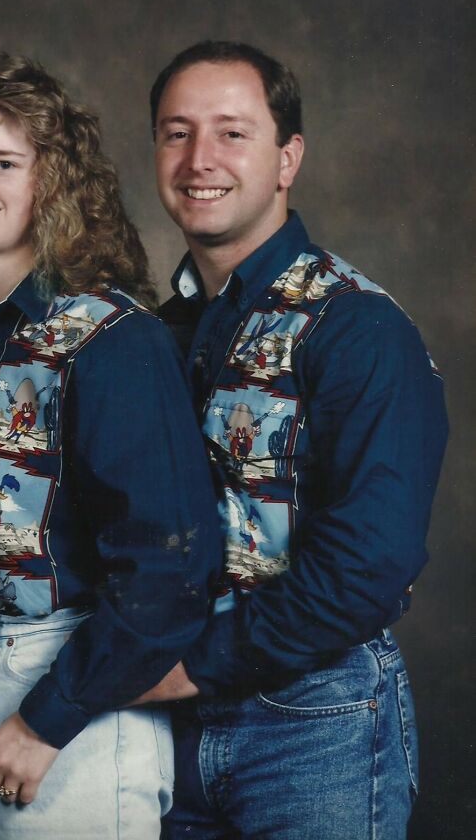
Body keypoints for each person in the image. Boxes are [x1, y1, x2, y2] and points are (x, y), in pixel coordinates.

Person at [0, 40, 221, 840]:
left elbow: (169, 572)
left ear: (51, 180)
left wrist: (45, 721)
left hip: (65, 702)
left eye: (2, 162)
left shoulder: (111, 341)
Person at [138, 41, 448, 839]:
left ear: (287, 158)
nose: (199, 158)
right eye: (177, 132)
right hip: (160, 731)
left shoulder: (356, 328)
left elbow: (366, 568)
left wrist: (179, 668)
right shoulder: (148, 337)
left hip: (315, 724)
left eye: (232, 133)